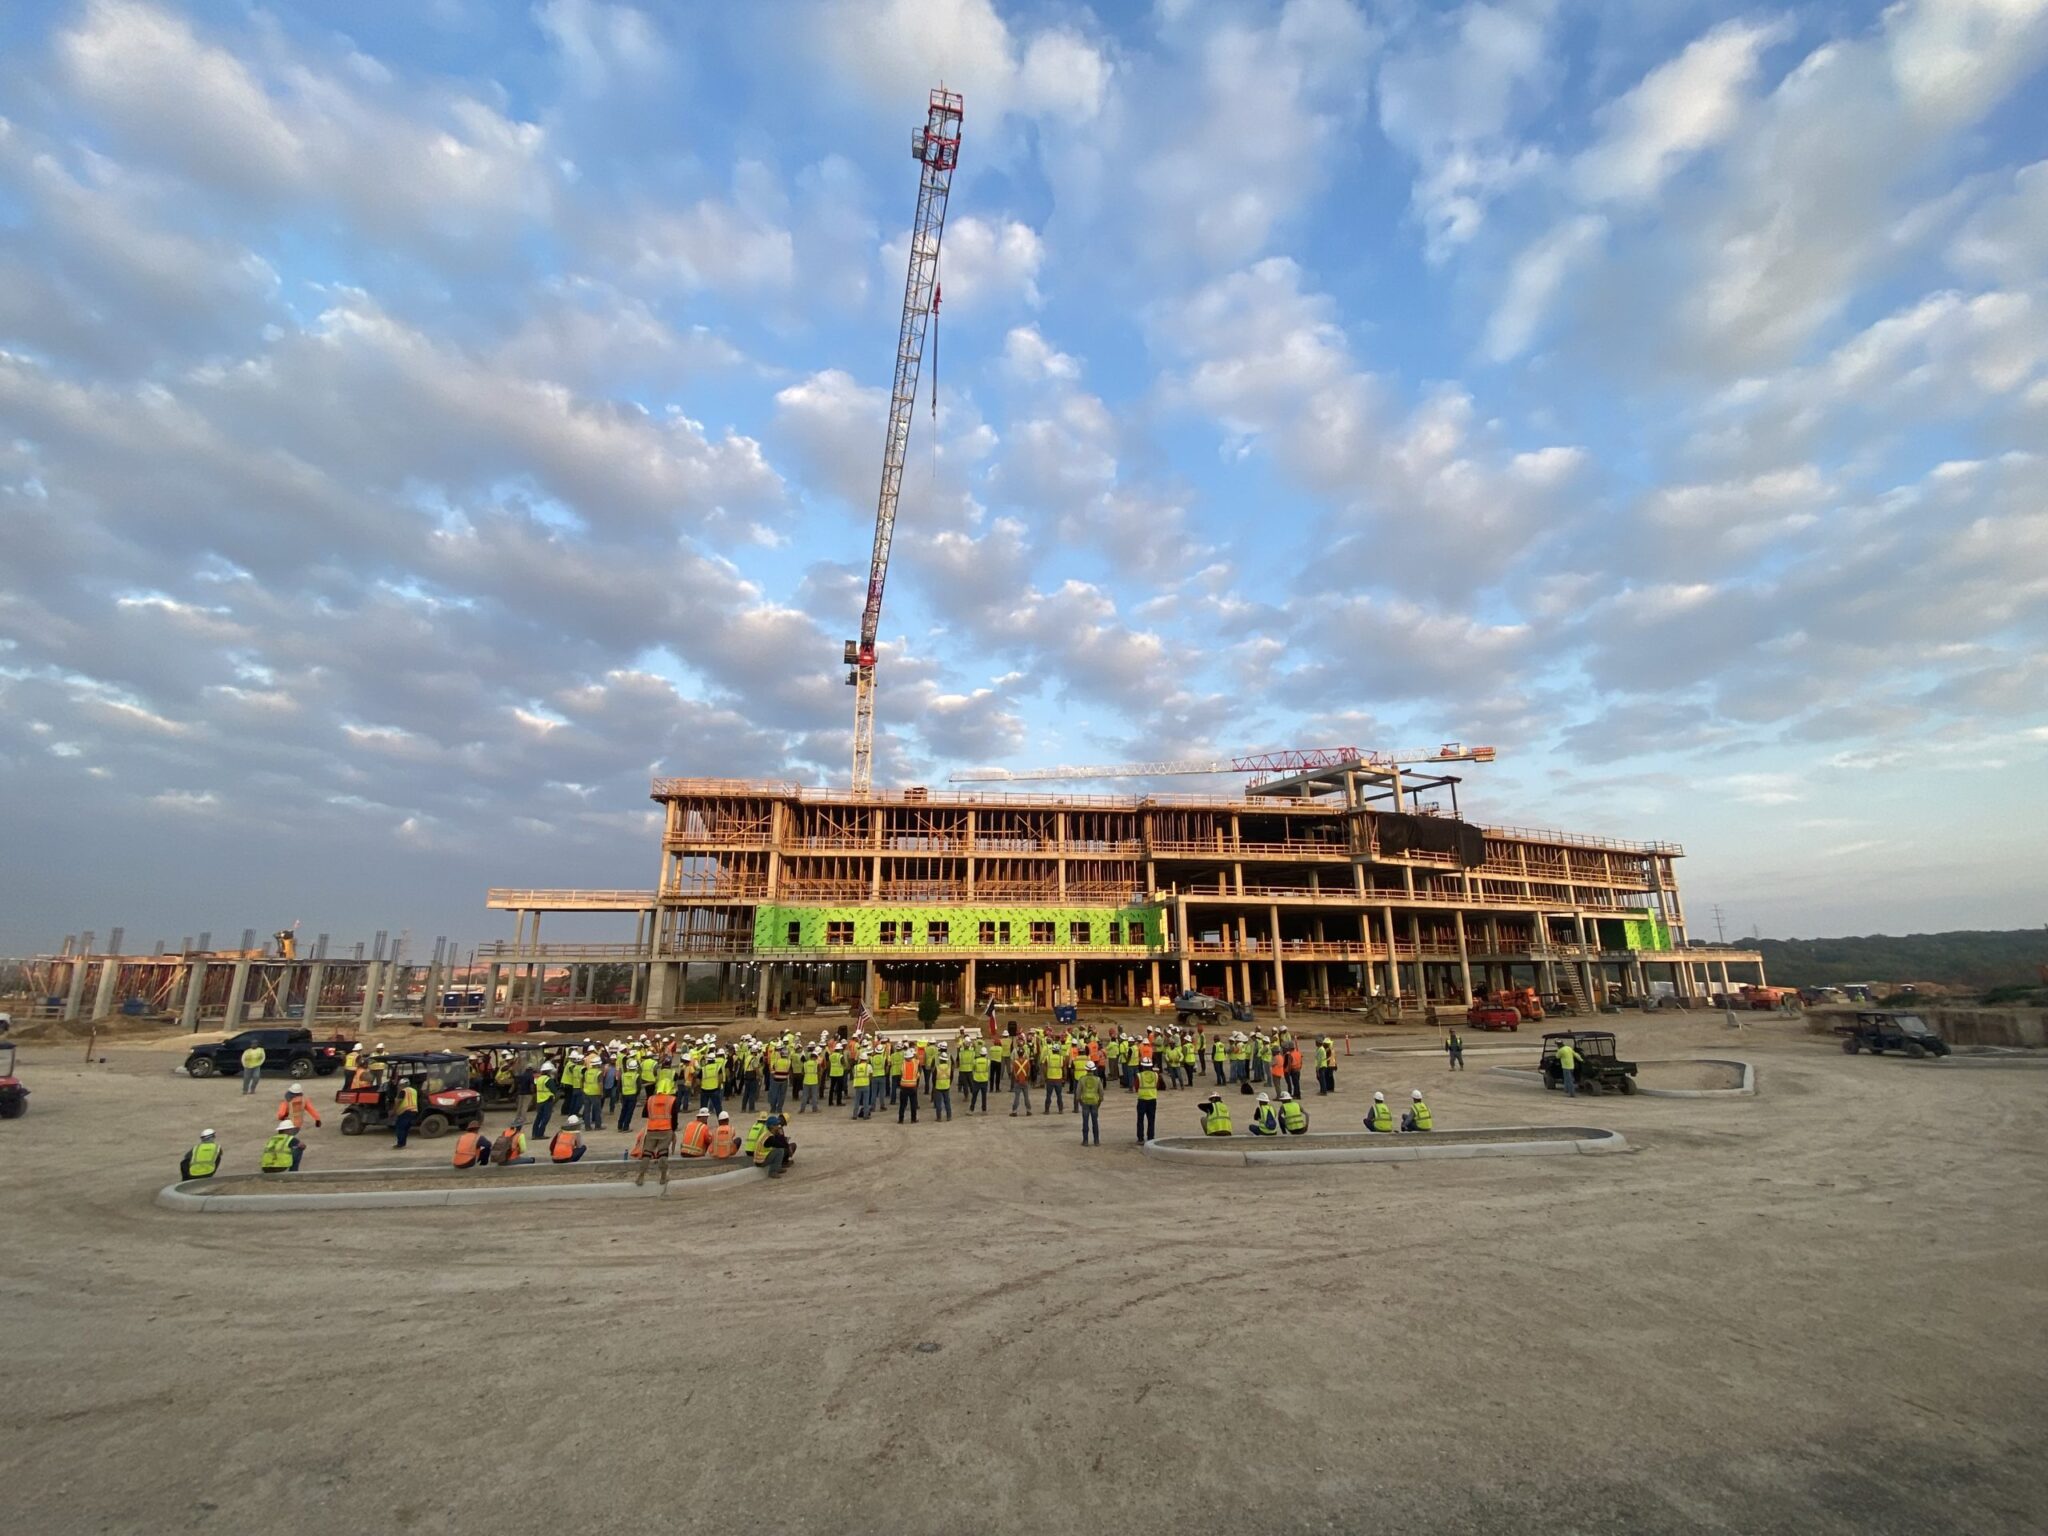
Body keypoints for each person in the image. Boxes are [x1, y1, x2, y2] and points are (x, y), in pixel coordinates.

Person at [1074, 1062, 1104, 1146]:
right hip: (1094, 1102)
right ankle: (1096, 1141)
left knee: (1085, 1122)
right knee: (1095, 1122)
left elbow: (1078, 1093)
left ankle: (1085, 1141)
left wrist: (1080, 1102)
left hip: (1085, 1102)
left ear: (1086, 1069)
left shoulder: (1082, 1079)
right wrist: (1099, 1102)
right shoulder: (1097, 1079)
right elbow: (1101, 1092)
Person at [1134, 1057, 1160, 1144]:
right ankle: (1150, 1137)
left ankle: (1140, 1138)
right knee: (1151, 1120)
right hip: (1152, 1099)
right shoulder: (1156, 1075)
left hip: (1142, 1100)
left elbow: (1136, 1087)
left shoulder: (1139, 1075)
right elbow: (1157, 1085)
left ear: (1143, 1066)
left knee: (1140, 1120)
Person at [530, 1063, 557, 1140]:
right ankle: (540, 1134)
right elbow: (554, 1090)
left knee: (538, 1118)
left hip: (539, 1100)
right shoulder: (548, 1080)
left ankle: (534, 1134)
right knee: (546, 1118)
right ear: (549, 1071)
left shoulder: (539, 1079)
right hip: (547, 1100)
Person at [391, 1079, 420, 1148]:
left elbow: (398, 1101)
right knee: (405, 1128)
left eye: (399, 1085)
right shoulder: (414, 1091)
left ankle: (400, 1144)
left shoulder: (403, 1091)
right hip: (414, 1111)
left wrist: (393, 1111)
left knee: (400, 1128)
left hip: (405, 1112)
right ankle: (403, 1143)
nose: (399, 1086)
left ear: (402, 1084)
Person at [1007, 1045, 1034, 1117]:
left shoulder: (1015, 1062)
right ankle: (1028, 1111)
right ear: (1023, 1053)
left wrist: (1017, 1078)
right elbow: (1028, 1071)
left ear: (1018, 1054)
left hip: (1018, 1081)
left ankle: (1014, 1111)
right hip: (1025, 1081)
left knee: (1017, 1097)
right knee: (1026, 1097)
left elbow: (1014, 1072)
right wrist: (1026, 1078)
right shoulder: (1027, 1061)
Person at [896, 1049, 920, 1124]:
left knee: (903, 1104)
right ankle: (913, 1119)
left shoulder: (902, 1064)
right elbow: (918, 1074)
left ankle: (901, 1119)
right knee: (913, 1104)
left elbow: (900, 1073)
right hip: (913, 1086)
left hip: (904, 1086)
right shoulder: (915, 1063)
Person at [931, 1051, 954, 1122]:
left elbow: (933, 1078)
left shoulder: (937, 1068)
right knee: (947, 1102)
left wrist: (935, 1085)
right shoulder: (949, 1068)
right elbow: (951, 1077)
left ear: (940, 1060)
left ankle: (939, 1117)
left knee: (938, 1103)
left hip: (938, 1087)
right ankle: (949, 1116)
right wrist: (949, 1083)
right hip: (946, 1086)